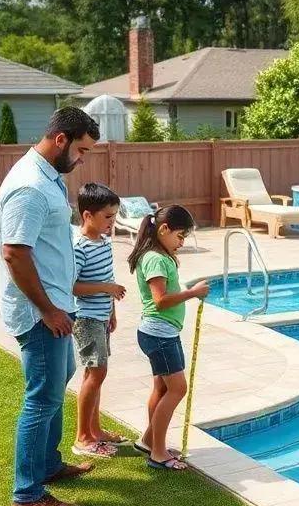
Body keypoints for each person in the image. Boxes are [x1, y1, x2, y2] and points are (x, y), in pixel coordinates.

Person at [0, 107, 99, 506]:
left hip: (57, 305)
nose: (82, 159)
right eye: (82, 150)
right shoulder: (30, 187)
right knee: (42, 397)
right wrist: (49, 310)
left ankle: (48, 465)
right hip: (41, 313)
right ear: (61, 140)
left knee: (60, 380)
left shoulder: (47, 178)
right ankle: (27, 493)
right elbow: (15, 255)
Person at [128, 205, 209, 470]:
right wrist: (192, 293)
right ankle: (158, 454)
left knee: (162, 388)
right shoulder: (155, 258)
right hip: (159, 334)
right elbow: (160, 300)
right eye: (180, 236)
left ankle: (150, 441)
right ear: (163, 229)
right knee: (177, 388)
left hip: (161, 333)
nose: (182, 242)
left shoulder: (159, 255)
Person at [71, 182, 127, 459]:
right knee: (96, 373)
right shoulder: (80, 247)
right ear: (87, 215)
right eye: (107, 217)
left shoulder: (103, 243)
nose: (112, 222)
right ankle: (82, 437)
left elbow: (107, 278)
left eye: (114, 217)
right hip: (86, 319)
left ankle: (95, 430)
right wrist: (107, 289)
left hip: (101, 318)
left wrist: (111, 313)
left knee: (95, 375)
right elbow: (72, 287)